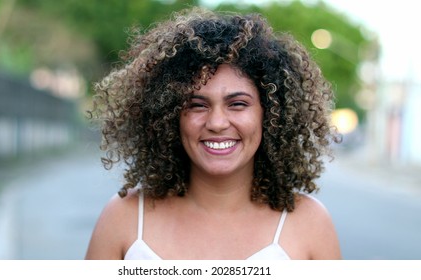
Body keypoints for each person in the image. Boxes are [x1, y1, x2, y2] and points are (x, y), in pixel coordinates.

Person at [85, 7, 341, 260]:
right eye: (197, 105)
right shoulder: (124, 219)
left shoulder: (310, 225)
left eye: (237, 104)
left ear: (273, 114)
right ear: (170, 116)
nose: (217, 123)